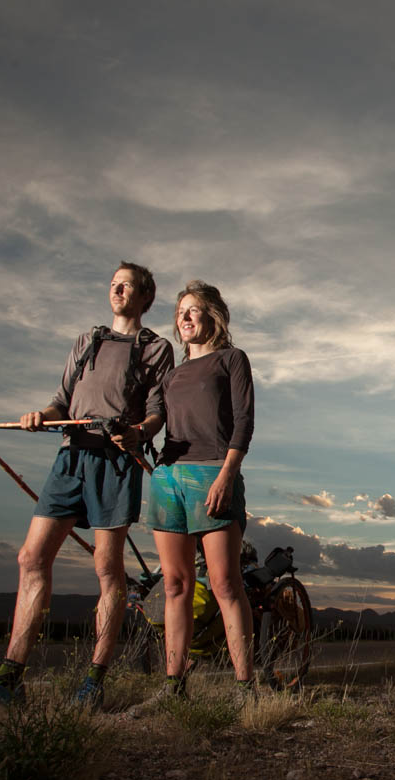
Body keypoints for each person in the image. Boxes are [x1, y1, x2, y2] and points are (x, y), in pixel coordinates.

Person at [0, 262, 175, 709]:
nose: (117, 288)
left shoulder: (156, 348)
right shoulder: (86, 341)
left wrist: (138, 434)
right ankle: (9, 679)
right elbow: (60, 402)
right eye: (113, 282)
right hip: (71, 457)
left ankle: (94, 681)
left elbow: (157, 412)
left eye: (127, 284)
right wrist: (41, 417)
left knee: (108, 570)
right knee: (31, 557)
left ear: (145, 297)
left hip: (116, 462)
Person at [140, 279, 255, 704]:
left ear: (213, 316)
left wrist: (228, 473)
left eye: (193, 310)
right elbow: (155, 420)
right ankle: (174, 685)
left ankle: (246, 688)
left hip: (212, 474)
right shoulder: (170, 374)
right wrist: (136, 433)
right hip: (167, 478)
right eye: (180, 312)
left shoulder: (231, 360)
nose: (184, 318)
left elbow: (244, 421)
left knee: (225, 583)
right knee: (174, 584)